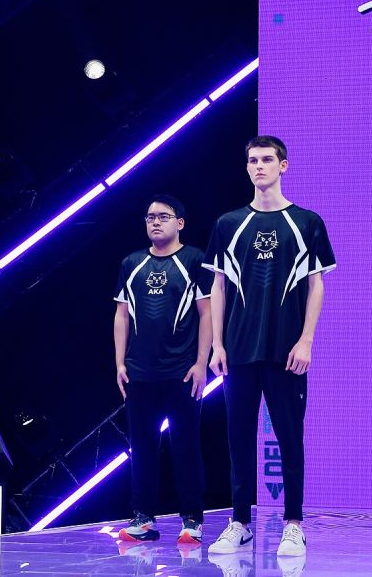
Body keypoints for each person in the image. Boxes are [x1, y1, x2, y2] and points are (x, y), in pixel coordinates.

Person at [203, 135, 336, 558]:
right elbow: (218, 286)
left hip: (286, 353)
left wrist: (306, 340)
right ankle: (239, 523)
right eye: (252, 160)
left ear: (283, 166)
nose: (258, 166)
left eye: (266, 159)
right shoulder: (228, 224)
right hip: (238, 352)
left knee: (290, 439)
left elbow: (316, 286)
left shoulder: (307, 222)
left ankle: (293, 525)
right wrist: (217, 344)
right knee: (238, 439)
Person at [113, 194, 214, 545]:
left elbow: (206, 313)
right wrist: (119, 362)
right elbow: (121, 315)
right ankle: (143, 518)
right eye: (150, 217)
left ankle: (192, 519)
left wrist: (201, 363)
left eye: (163, 216)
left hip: (182, 372)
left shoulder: (195, 259)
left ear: (180, 223)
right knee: (141, 447)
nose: (155, 222)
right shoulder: (131, 263)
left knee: (186, 445)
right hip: (139, 373)